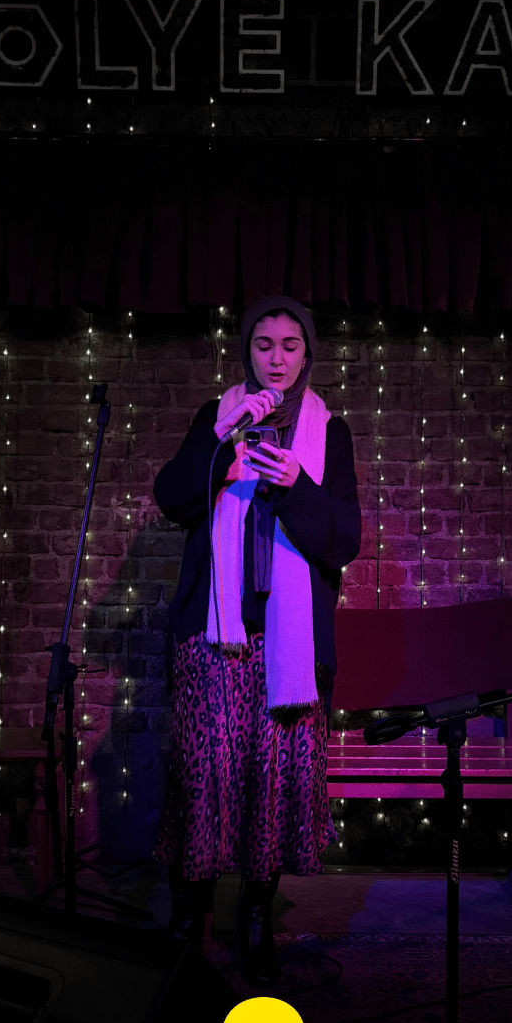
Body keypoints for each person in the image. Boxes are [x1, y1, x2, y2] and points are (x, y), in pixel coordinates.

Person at [152, 294, 362, 987]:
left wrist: (296, 484)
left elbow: (344, 540)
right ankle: (187, 921)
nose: (275, 358)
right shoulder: (217, 420)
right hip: (217, 635)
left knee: (270, 785)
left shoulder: (330, 434)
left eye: (289, 346)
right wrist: (221, 455)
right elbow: (171, 497)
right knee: (205, 777)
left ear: (307, 355)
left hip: (288, 644)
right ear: (247, 351)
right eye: (263, 345)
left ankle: (254, 921)